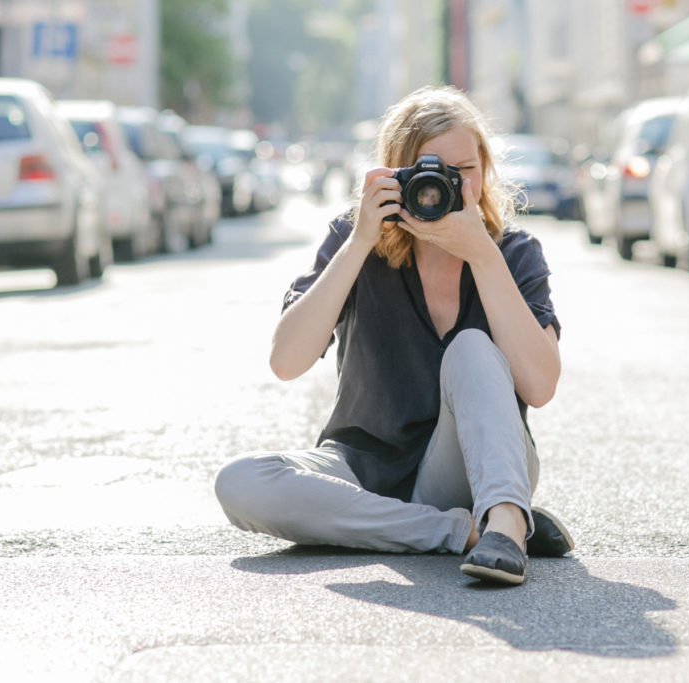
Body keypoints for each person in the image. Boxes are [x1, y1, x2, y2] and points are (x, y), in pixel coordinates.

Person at [214, 85, 573, 586]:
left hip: (475, 470)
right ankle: (461, 532)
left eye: (463, 171)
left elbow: (540, 386)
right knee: (241, 482)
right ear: (394, 174)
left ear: (484, 171)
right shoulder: (354, 239)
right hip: (361, 467)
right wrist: (362, 239)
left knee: (471, 345)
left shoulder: (512, 253)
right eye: (427, 172)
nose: (444, 186)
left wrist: (483, 256)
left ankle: (507, 524)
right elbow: (286, 361)